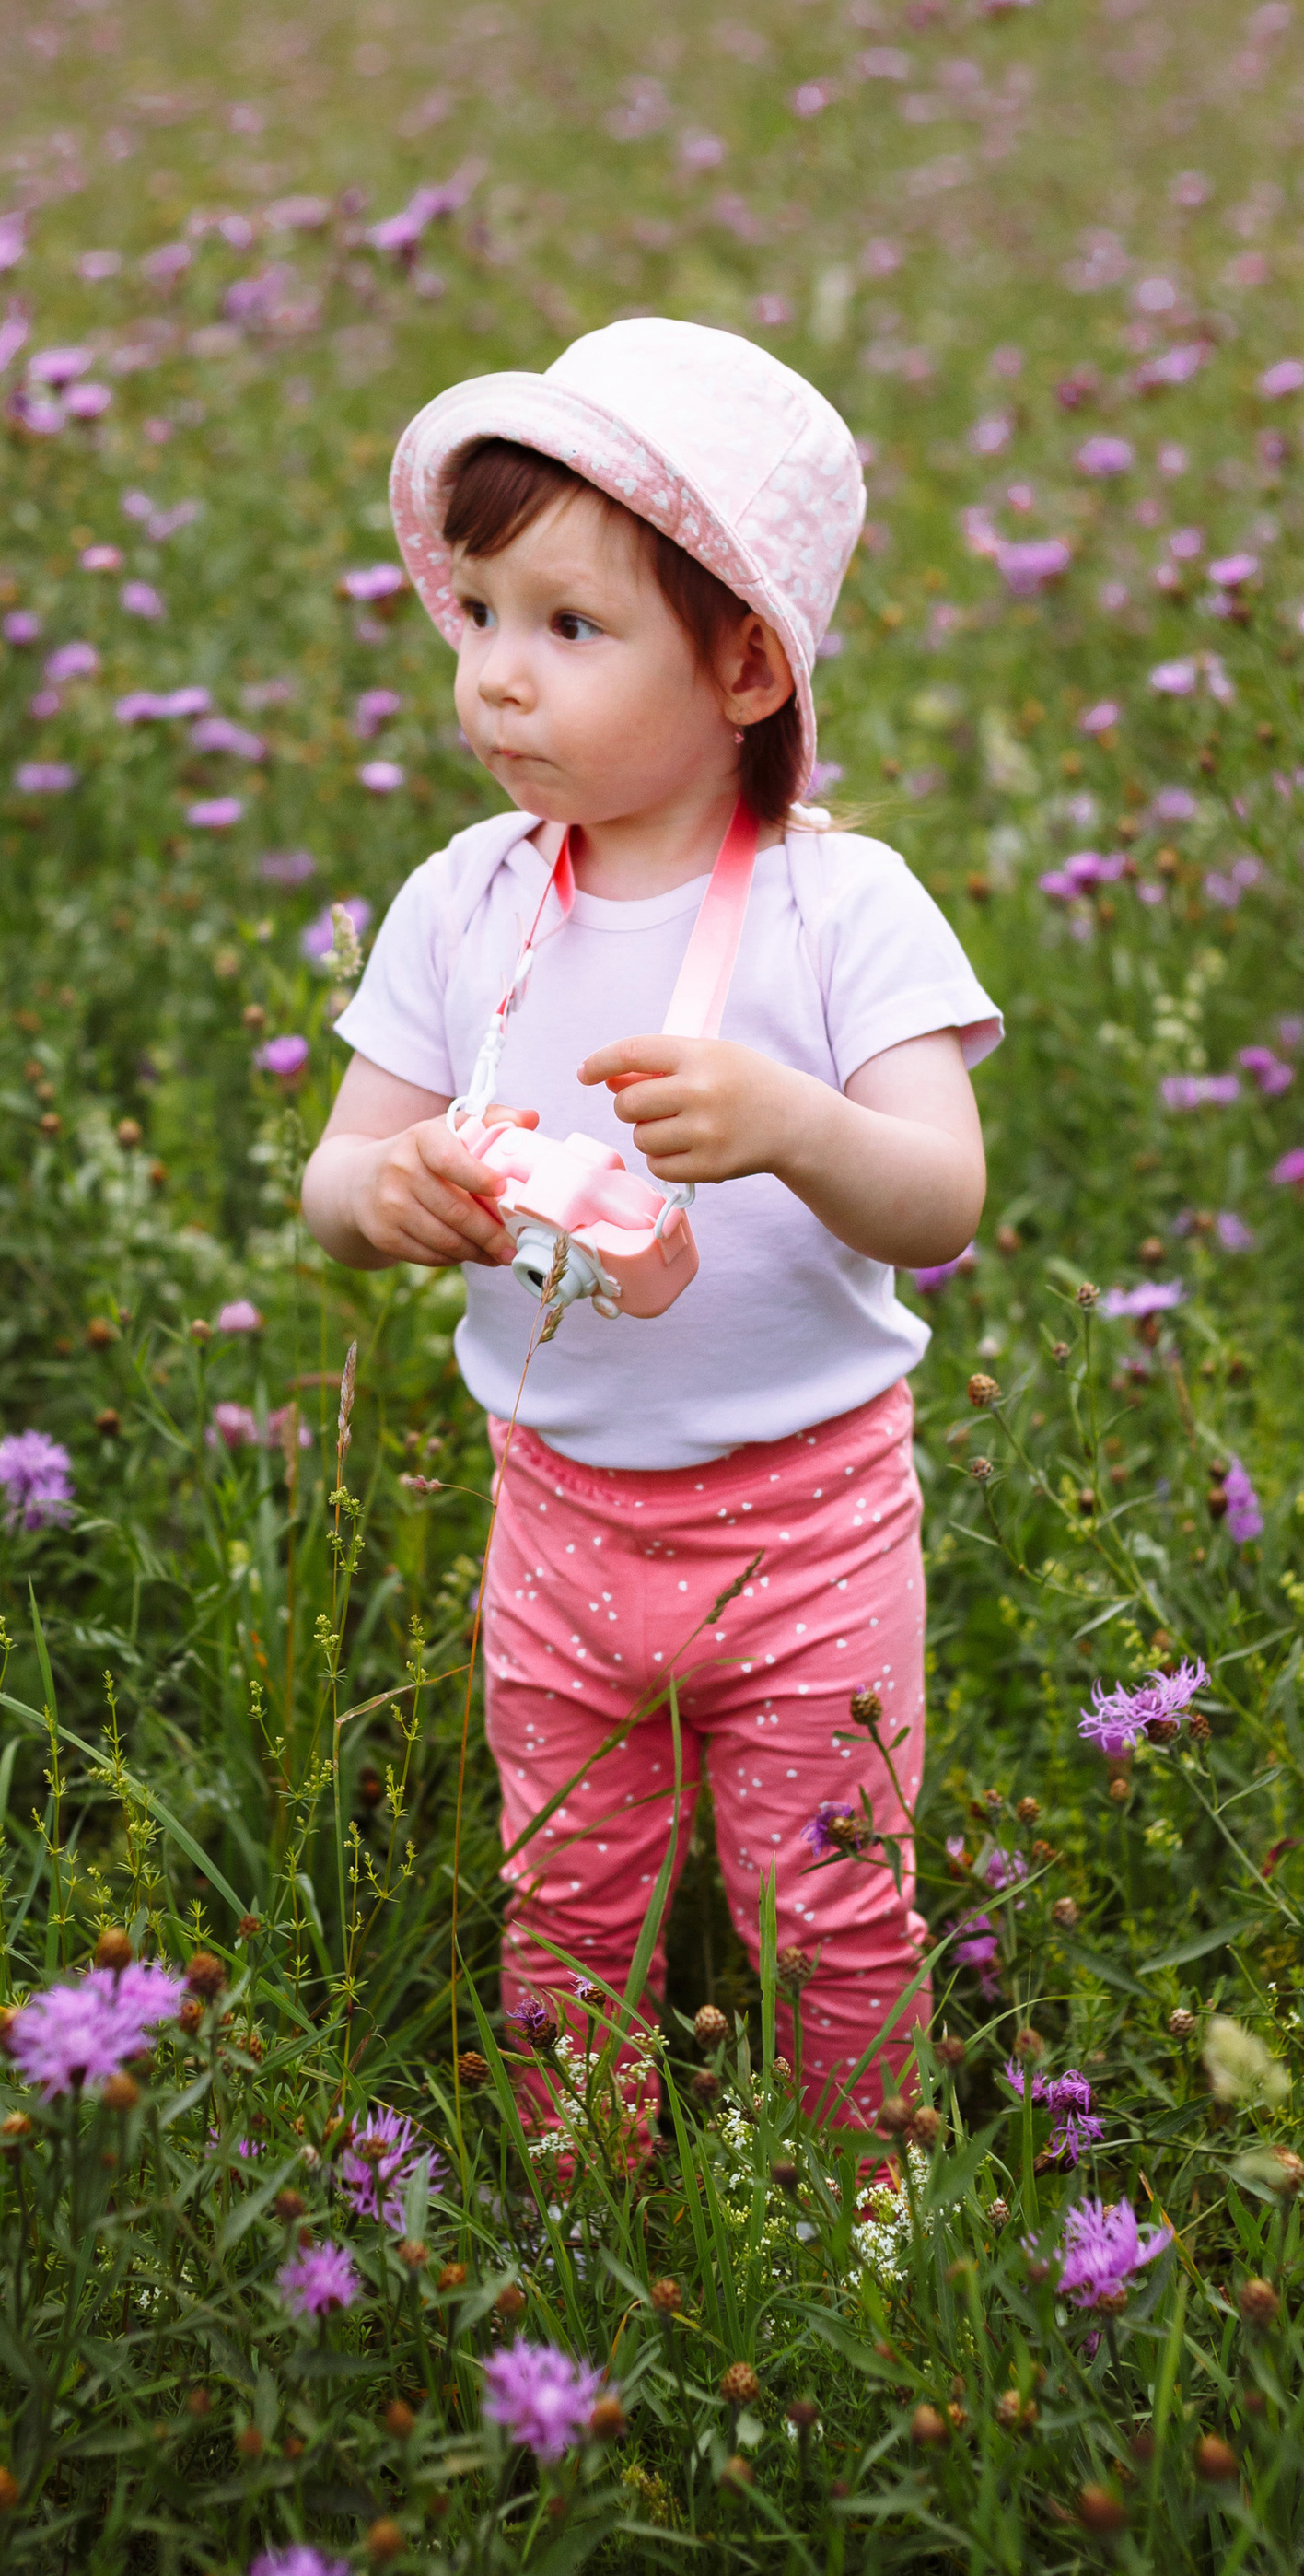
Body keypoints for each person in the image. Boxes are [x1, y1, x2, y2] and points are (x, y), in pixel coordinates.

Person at [299, 318, 1000, 2128]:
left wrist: (787, 1125)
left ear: (745, 665)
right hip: (558, 1512)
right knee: (563, 1909)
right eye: (477, 617)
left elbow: (938, 1195)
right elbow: (329, 1183)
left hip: (812, 1523)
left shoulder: (842, 910)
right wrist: (391, 1198)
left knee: (832, 1910)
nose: (494, 680)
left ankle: (866, 2226)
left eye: (569, 625)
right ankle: (582, 2219)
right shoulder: (460, 903)